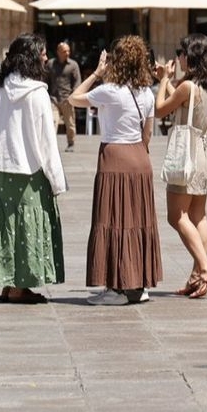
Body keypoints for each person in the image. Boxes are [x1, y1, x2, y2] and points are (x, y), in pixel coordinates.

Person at [68, 35, 160, 306]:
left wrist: (96, 73)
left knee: (114, 219)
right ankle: (138, 285)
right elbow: (148, 133)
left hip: (115, 157)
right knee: (137, 221)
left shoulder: (108, 90)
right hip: (140, 158)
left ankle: (117, 289)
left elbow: (73, 99)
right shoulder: (147, 93)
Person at [0, 33, 67, 304]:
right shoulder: (38, 93)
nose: (45, 57)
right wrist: (56, 178)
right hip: (28, 168)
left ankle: (8, 284)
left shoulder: (3, 88)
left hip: (1, 166)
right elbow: (46, 141)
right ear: (31, 56)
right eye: (42, 53)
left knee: (7, 225)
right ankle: (20, 287)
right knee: (28, 224)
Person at [154, 33, 207, 299]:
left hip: (187, 156)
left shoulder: (187, 87)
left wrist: (162, 80)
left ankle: (205, 268)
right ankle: (197, 276)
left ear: (189, 56)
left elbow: (160, 109)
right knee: (199, 216)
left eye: (180, 53)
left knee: (176, 216)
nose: (178, 58)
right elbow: (185, 103)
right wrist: (170, 81)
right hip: (205, 152)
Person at [47, 42, 82, 152]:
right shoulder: (50, 64)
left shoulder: (73, 65)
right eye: (64, 51)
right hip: (53, 99)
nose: (67, 53)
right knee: (52, 122)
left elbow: (77, 81)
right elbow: (45, 78)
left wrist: (74, 93)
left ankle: (71, 143)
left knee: (70, 123)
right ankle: (50, 145)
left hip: (67, 98)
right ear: (58, 52)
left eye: (68, 51)